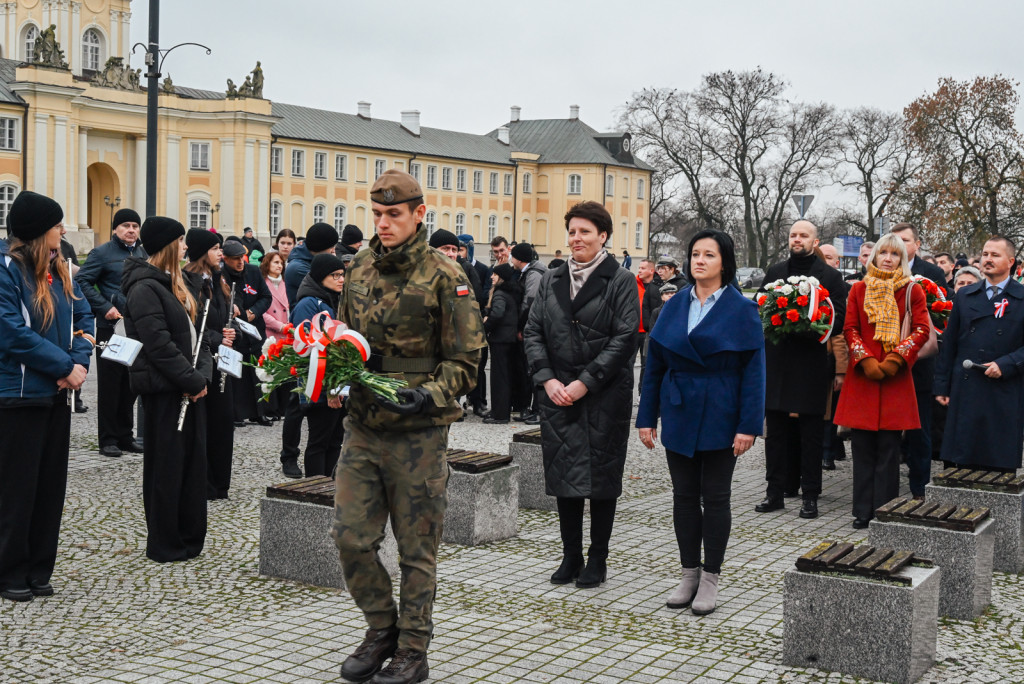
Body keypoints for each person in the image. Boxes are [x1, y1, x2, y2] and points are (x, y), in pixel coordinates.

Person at [333, 170, 484, 684]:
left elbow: (466, 362)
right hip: (363, 428)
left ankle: (414, 650)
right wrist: (326, 376)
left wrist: (429, 395)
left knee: (417, 548)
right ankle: (382, 629)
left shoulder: (446, 275)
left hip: (418, 433)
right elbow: (340, 339)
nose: (384, 223)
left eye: (393, 214)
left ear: (419, 214)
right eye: (377, 214)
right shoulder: (356, 269)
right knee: (350, 537)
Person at [637, 229, 764, 615]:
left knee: (717, 496)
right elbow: (654, 365)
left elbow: (754, 372)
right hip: (679, 408)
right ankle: (688, 572)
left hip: (722, 411)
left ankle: (711, 577)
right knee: (684, 498)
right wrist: (646, 416)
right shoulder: (672, 306)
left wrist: (748, 425)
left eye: (709, 254)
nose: (700, 260)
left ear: (724, 261)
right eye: (695, 254)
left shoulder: (742, 309)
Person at [523, 200, 639, 590]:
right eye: (572, 231)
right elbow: (534, 331)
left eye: (585, 231)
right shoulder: (553, 277)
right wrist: (548, 379)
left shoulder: (619, 279)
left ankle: (598, 557)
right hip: (557, 392)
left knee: (602, 477)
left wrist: (585, 382)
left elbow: (625, 338)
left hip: (604, 393)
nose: (577, 238)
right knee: (564, 475)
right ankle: (570, 553)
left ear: (603, 236)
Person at [0, 191, 94, 602]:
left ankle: (40, 567)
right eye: (57, 225)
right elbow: (11, 333)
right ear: (40, 231)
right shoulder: (7, 269)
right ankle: (9, 570)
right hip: (19, 396)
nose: (63, 230)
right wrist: (63, 366)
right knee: (16, 490)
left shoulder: (61, 271)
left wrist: (79, 363)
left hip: (57, 395)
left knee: (48, 489)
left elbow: (84, 318)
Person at [122, 217, 212, 562]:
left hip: (188, 388)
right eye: (181, 240)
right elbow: (158, 345)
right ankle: (165, 541)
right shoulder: (145, 287)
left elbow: (197, 337)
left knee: (191, 465)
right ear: (167, 245)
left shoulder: (175, 283)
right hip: (164, 391)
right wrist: (191, 380)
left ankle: (189, 536)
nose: (186, 246)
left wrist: (201, 376)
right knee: (167, 468)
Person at [834, 234, 931, 527]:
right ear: (874, 256)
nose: (888, 258)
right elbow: (850, 329)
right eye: (883, 252)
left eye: (895, 254)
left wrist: (895, 359)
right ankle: (862, 511)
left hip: (894, 379)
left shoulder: (913, 290)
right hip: (863, 377)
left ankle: (885, 510)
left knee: (890, 449)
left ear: (903, 259)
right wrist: (864, 359)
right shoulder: (858, 290)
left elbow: (922, 329)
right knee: (861, 448)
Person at [755, 220, 846, 519]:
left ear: (815, 241)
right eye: (793, 235)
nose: (797, 239)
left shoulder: (830, 276)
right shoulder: (776, 272)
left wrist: (809, 324)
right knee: (776, 431)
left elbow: (839, 318)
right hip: (778, 361)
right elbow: (761, 309)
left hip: (811, 362)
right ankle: (774, 492)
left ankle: (810, 496)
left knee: (811, 433)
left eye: (803, 235)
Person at [936, 235, 1024, 473]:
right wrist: (943, 386)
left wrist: (1006, 365)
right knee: (965, 462)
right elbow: (950, 344)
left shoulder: (1021, 297)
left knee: (999, 466)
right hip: (968, 388)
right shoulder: (966, 295)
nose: (988, 259)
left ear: (1011, 261)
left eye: (995, 255)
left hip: (1005, 390)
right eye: (985, 254)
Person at [76, 208, 146, 457]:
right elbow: (81, 281)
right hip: (110, 328)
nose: (131, 230)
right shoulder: (101, 253)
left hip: (135, 326)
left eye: (135, 226)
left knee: (130, 383)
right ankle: (108, 438)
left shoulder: (142, 252)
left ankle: (125, 435)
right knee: (110, 384)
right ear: (115, 228)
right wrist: (105, 306)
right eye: (126, 225)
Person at [891, 223, 947, 498]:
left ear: (917, 244)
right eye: (894, 240)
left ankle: (920, 488)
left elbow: (941, 315)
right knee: (888, 430)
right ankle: (886, 486)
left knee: (919, 430)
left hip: (920, 366)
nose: (899, 246)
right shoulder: (882, 270)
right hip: (887, 366)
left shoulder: (932, 274)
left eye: (904, 240)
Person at [183, 229, 237, 500]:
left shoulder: (219, 281)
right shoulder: (189, 282)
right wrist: (217, 338)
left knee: (223, 422)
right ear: (203, 252)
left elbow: (223, 317)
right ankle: (203, 482)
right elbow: (192, 326)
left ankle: (220, 482)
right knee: (205, 423)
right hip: (202, 360)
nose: (221, 254)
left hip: (222, 360)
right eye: (216, 249)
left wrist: (231, 331)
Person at [291, 254, 348, 477]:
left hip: (337, 383)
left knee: (335, 441)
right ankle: (315, 490)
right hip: (320, 385)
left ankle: (330, 489)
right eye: (335, 275)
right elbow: (313, 349)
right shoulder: (309, 303)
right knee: (319, 441)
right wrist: (331, 389)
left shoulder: (330, 299)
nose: (340, 279)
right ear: (320, 276)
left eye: (342, 275)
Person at [222, 240, 273, 427]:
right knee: (238, 374)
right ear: (225, 259)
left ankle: (260, 412)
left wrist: (253, 312)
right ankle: (237, 413)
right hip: (236, 330)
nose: (240, 262)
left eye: (241, 258)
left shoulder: (253, 271)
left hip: (255, 329)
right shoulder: (222, 276)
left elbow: (266, 297)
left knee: (258, 371)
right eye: (235, 259)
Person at [818, 245, 851, 469]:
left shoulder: (842, 288)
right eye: (823, 257)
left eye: (830, 258)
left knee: (830, 411)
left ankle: (829, 453)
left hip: (833, 357)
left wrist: (842, 369)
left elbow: (840, 333)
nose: (826, 261)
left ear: (837, 262)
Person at [510, 242, 547, 424]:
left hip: (534, 328)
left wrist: (521, 327)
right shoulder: (530, 272)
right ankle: (534, 409)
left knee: (535, 368)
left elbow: (530, 303)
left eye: (512, 256)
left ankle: (539, 410)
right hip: (533, 327)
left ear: (518, 258)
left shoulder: (534, 275)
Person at [482, 263, 522, 424]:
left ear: (501, 277)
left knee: (499, 378)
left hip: (500, 339)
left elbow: (497, 314)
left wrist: (486, 326)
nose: (492, 277)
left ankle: (500, 414)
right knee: (505, 376)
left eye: (495, 274)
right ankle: (500, 411)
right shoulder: (511, 293)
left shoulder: (499, 294)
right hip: (509, 339)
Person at [458, 233, 491, 417]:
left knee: (478, 365)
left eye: (460, 249)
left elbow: (481, 294)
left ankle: (478, 402)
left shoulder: (478, 269)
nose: (457, 253)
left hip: (474, 323)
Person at [260, 251, 291, 422]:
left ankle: (282, 406)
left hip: (287, 335)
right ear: (267, 264)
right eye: (275, 262)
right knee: (270, 371)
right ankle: (270, 407)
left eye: (281, 263)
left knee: (284, 370)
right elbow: (263, 312)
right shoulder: (264, 284)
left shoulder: (286, 284)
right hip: (272, 333)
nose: (279, 266)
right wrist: (280, 326)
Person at [636, 258, 661, 393]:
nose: (639, 270)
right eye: (639, 268)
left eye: (643, 268)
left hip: (647, 332)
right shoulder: (632, 283)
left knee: (646, 365)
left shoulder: (659, 287)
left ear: (652, 270)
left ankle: (642, 393)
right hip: (632, 331)